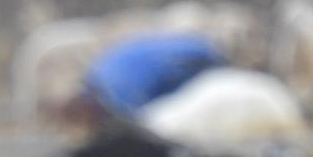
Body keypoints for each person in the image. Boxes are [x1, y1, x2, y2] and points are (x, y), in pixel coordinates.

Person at [53, 30, 229, 133]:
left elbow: (146, 122)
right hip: (193, 48)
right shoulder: (100, 71)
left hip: (199, 62)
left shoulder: (120, 92)